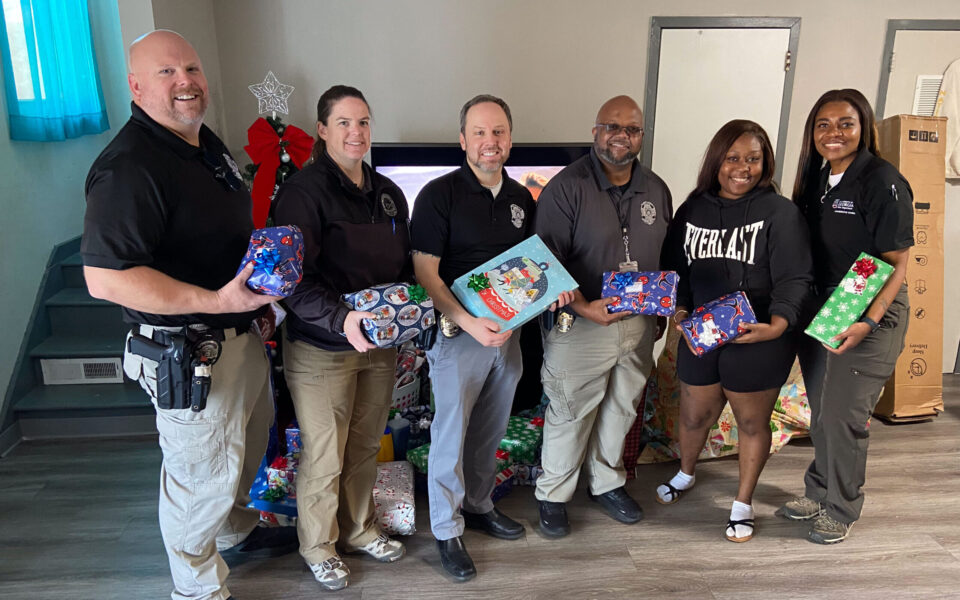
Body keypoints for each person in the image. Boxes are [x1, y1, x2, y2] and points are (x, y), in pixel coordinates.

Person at [82, 30, 296, 600]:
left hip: (237, 331)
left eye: (193, 70)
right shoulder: (129, 166)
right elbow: (104, 278)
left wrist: (254, 305)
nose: (186, 83)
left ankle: (232, 532)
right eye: (167, 73)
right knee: (200, 474)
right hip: (189, 350)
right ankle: (196, 586)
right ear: (135, 86)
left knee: (244, 451)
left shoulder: (201, 142)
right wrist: (217, 302)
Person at [411, 94, 572, 582]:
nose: (490, 142)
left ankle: (478, 505)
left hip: (509, 338)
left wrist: (551, 295)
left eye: (498, 132)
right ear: (463, 140)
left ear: (509, 139)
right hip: (458, 336)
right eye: (479, 132)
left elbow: (527, 271)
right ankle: (445, 527)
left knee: (490, 429)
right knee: (449, 434)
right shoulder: (438, 195)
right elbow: (425, 274)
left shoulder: (523, 199)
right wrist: (466, 320)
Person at [272, 85, 410, 590]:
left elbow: (401, 266)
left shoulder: (387, 192)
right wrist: (341, 319)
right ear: (323, 130)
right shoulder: (302, 193)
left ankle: (358, 529)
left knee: (365, 444)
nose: (358, 133)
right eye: (346, 123)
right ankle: (317, 544)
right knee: (325, 452)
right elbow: (290, 279)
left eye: (365, 122)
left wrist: (408, 311)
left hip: (378, 345)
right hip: (322, 346)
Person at [657, 120, 813, 542]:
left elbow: (796, 276)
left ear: (766, 163)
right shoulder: (693, 209)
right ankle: (686, 474)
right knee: (695, 414)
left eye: (753, 158)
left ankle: (742, 503)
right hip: (703, 332)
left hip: (757, 333)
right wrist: (681, 306)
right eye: (733, 158)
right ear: (717, 161)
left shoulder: (780, 213)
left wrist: (777, 325)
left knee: (750, 421)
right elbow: (676, 267)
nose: (742, 167)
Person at [533, 95, 672, 537]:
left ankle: (606, 481)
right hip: (582, 324)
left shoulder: (656, 188)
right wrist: (583, 307)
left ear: (641, 137)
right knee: (571, 411)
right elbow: (544, 265)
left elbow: (666, 255)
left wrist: (663, 307)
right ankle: (553, 494)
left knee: (622, 406)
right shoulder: (566, 187)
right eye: (612, 126)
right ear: (595, 131)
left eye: (631, 129)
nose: (621, 136)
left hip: (639, 323)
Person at [782, 89, 913, 544]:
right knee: (822, 411)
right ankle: (819, 489)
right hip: (827, 308)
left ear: (864, 128)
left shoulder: (881, 181)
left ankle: (841, 506)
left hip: (868, 308)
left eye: (845, 123)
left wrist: (869, 320)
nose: (833, 133)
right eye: (823, 124)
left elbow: (895, 261)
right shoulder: (818, 178)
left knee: (843, 415)